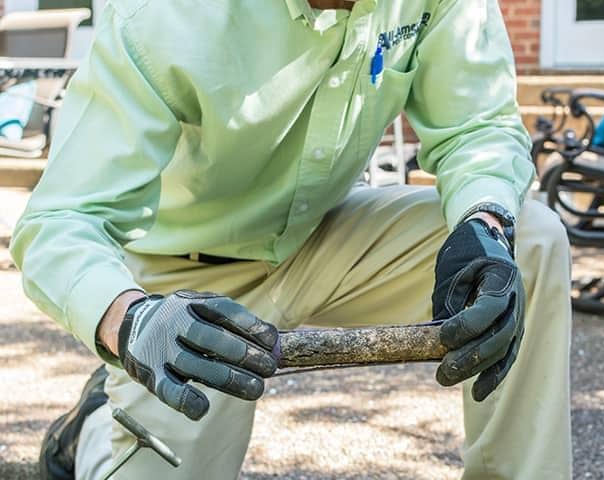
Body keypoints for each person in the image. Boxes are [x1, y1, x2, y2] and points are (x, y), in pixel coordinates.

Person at [10, 0, 572, 478]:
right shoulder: (163, 15)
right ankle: (89, 435)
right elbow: (60, 221)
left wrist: (484, 225)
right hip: (184, 289)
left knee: (528, 243)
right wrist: (130, 320)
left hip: (324, 234)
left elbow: (479, 126)